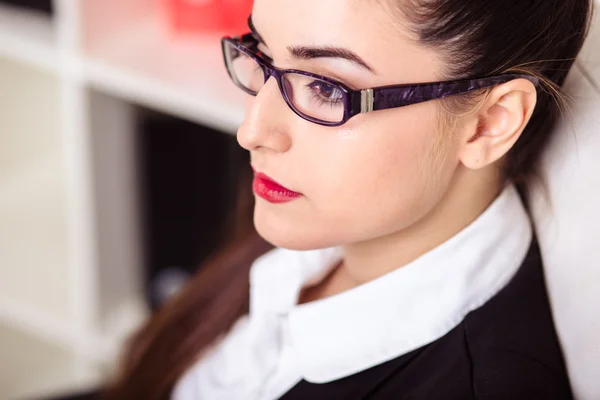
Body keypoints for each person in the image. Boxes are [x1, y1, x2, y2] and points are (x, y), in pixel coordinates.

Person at [105, 0, 595, 399]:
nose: (252, 131)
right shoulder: (312, 216)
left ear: (491, 122)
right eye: (260, 52)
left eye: (325, 86)